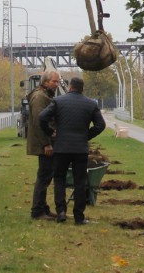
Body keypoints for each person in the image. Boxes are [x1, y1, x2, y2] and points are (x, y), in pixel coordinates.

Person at [39, 76, 106, 225]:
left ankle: (61, 212)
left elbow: (42, 117)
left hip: (61, 147)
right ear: (82, 89)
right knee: (80, 182)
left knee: (59, 179)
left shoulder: (58, 101)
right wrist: (86, 136)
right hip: (80, 149)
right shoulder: (90, 104)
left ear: (69, 87)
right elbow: (101, 125)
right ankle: (78, 217)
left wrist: (51, 133)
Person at [26, 70, 60, 220]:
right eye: (55, 82)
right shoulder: (40, 97)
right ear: (46, 82)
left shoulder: (44, 95)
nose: (57, 85)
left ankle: (43, 208)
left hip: (45, 142)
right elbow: (39, 122)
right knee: (44, 176)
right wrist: (47, 144)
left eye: (58, 82)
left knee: (46, 175)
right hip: (44, 143)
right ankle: (38, 211)